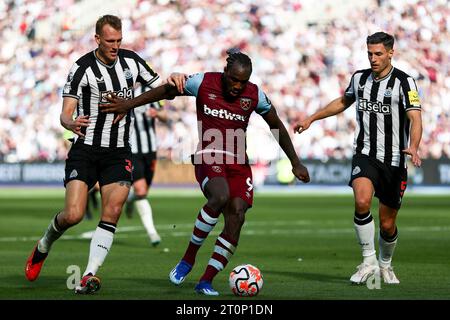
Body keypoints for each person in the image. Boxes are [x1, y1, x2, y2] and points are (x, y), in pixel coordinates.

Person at [100, 48, 311, 295]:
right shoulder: (203, 82)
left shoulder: (255, 95)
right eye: (234, 79)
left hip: (239, 163)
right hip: (209, 156)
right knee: (219, 196)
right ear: (225, 73)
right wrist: (129, 104)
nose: (237, 86)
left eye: (243, 82)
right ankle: (188, 259)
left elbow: (276, 124)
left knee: (237, 217)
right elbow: (168, 90)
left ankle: (205, 281)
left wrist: (295, 162)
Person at [24, 15, 172, 294]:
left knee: (113, 209)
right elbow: (66, 113)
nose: (116, 46)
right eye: (110, 41)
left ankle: (89, 273)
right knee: (73, 215)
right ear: (97, 40)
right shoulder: (82, 68)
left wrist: (144, 100)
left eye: (119, 40)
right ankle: (44, 244)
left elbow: (160, 89)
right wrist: (69, 122)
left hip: (118, 151)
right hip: (85, 149)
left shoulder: (132, 62)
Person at [295, 32, 422, 284]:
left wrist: (414, 146)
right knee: (362, 201)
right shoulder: (359, 79)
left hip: (395, 160)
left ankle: (385, 265)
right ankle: (368, 262)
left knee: (387, 225)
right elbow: (343, 101)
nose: (373, 59)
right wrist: (312, 118)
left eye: (378, 54)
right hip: (364, 154)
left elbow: (415, 118)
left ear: (390, 53)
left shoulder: (405, 83)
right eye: (369, 54)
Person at [124, 85, 167, 246]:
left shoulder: (151, 92)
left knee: (143, 192)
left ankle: (129, 199)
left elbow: (165, 115)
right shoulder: (124, 92)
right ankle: (152, 233)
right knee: (141, 191)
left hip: (150, 150)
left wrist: (157, 114)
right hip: (132, 150)